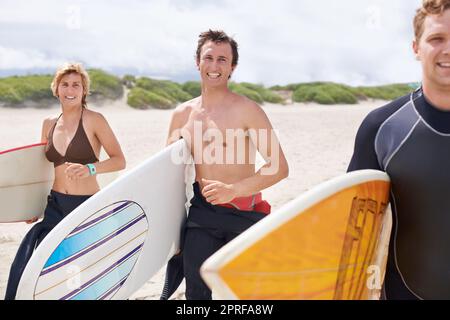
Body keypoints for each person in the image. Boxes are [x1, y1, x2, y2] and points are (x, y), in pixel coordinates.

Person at [160, 30, 289, 300]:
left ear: (232, 67)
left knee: (248, 297)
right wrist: (174, 231)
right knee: (196, 295)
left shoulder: (247, 110)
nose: (215, 66)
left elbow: (278, 166)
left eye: (222, 59)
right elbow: (168, 175)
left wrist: (234, 189)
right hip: (202, 215)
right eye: (209, 58)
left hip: (245, 214)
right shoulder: (182, 115)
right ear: (198, 62)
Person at [348, 0, 450, 299]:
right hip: (406, 292)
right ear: (416, 47)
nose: (447, 49)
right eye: (436, 39)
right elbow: (352, 227)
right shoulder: (382, 127)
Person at [5, 62, 126, 300]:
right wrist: (33, 205)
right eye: (65, 84)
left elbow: (119, 160)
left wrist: (91, 168)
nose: (70, 90)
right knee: (37, 268)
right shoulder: (49, 123)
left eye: (76, 85)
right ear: (56, 89)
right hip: (55, 205)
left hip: (86, 206)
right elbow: (43, 171)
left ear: (83, 91)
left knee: (86, 271)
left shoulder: (94, 120)